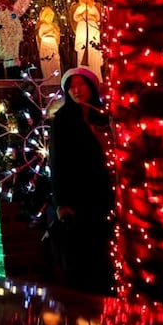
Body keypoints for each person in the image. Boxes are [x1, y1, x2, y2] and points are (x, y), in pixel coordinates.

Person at [49, 67, 114, 295]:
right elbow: (57, 163)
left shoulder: (103, 115)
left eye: (82, 84)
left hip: (106, 192)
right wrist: (62, 202)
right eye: (71, 87)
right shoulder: (62, 120)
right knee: (85, 252)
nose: (76, 90)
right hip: (79, 194)